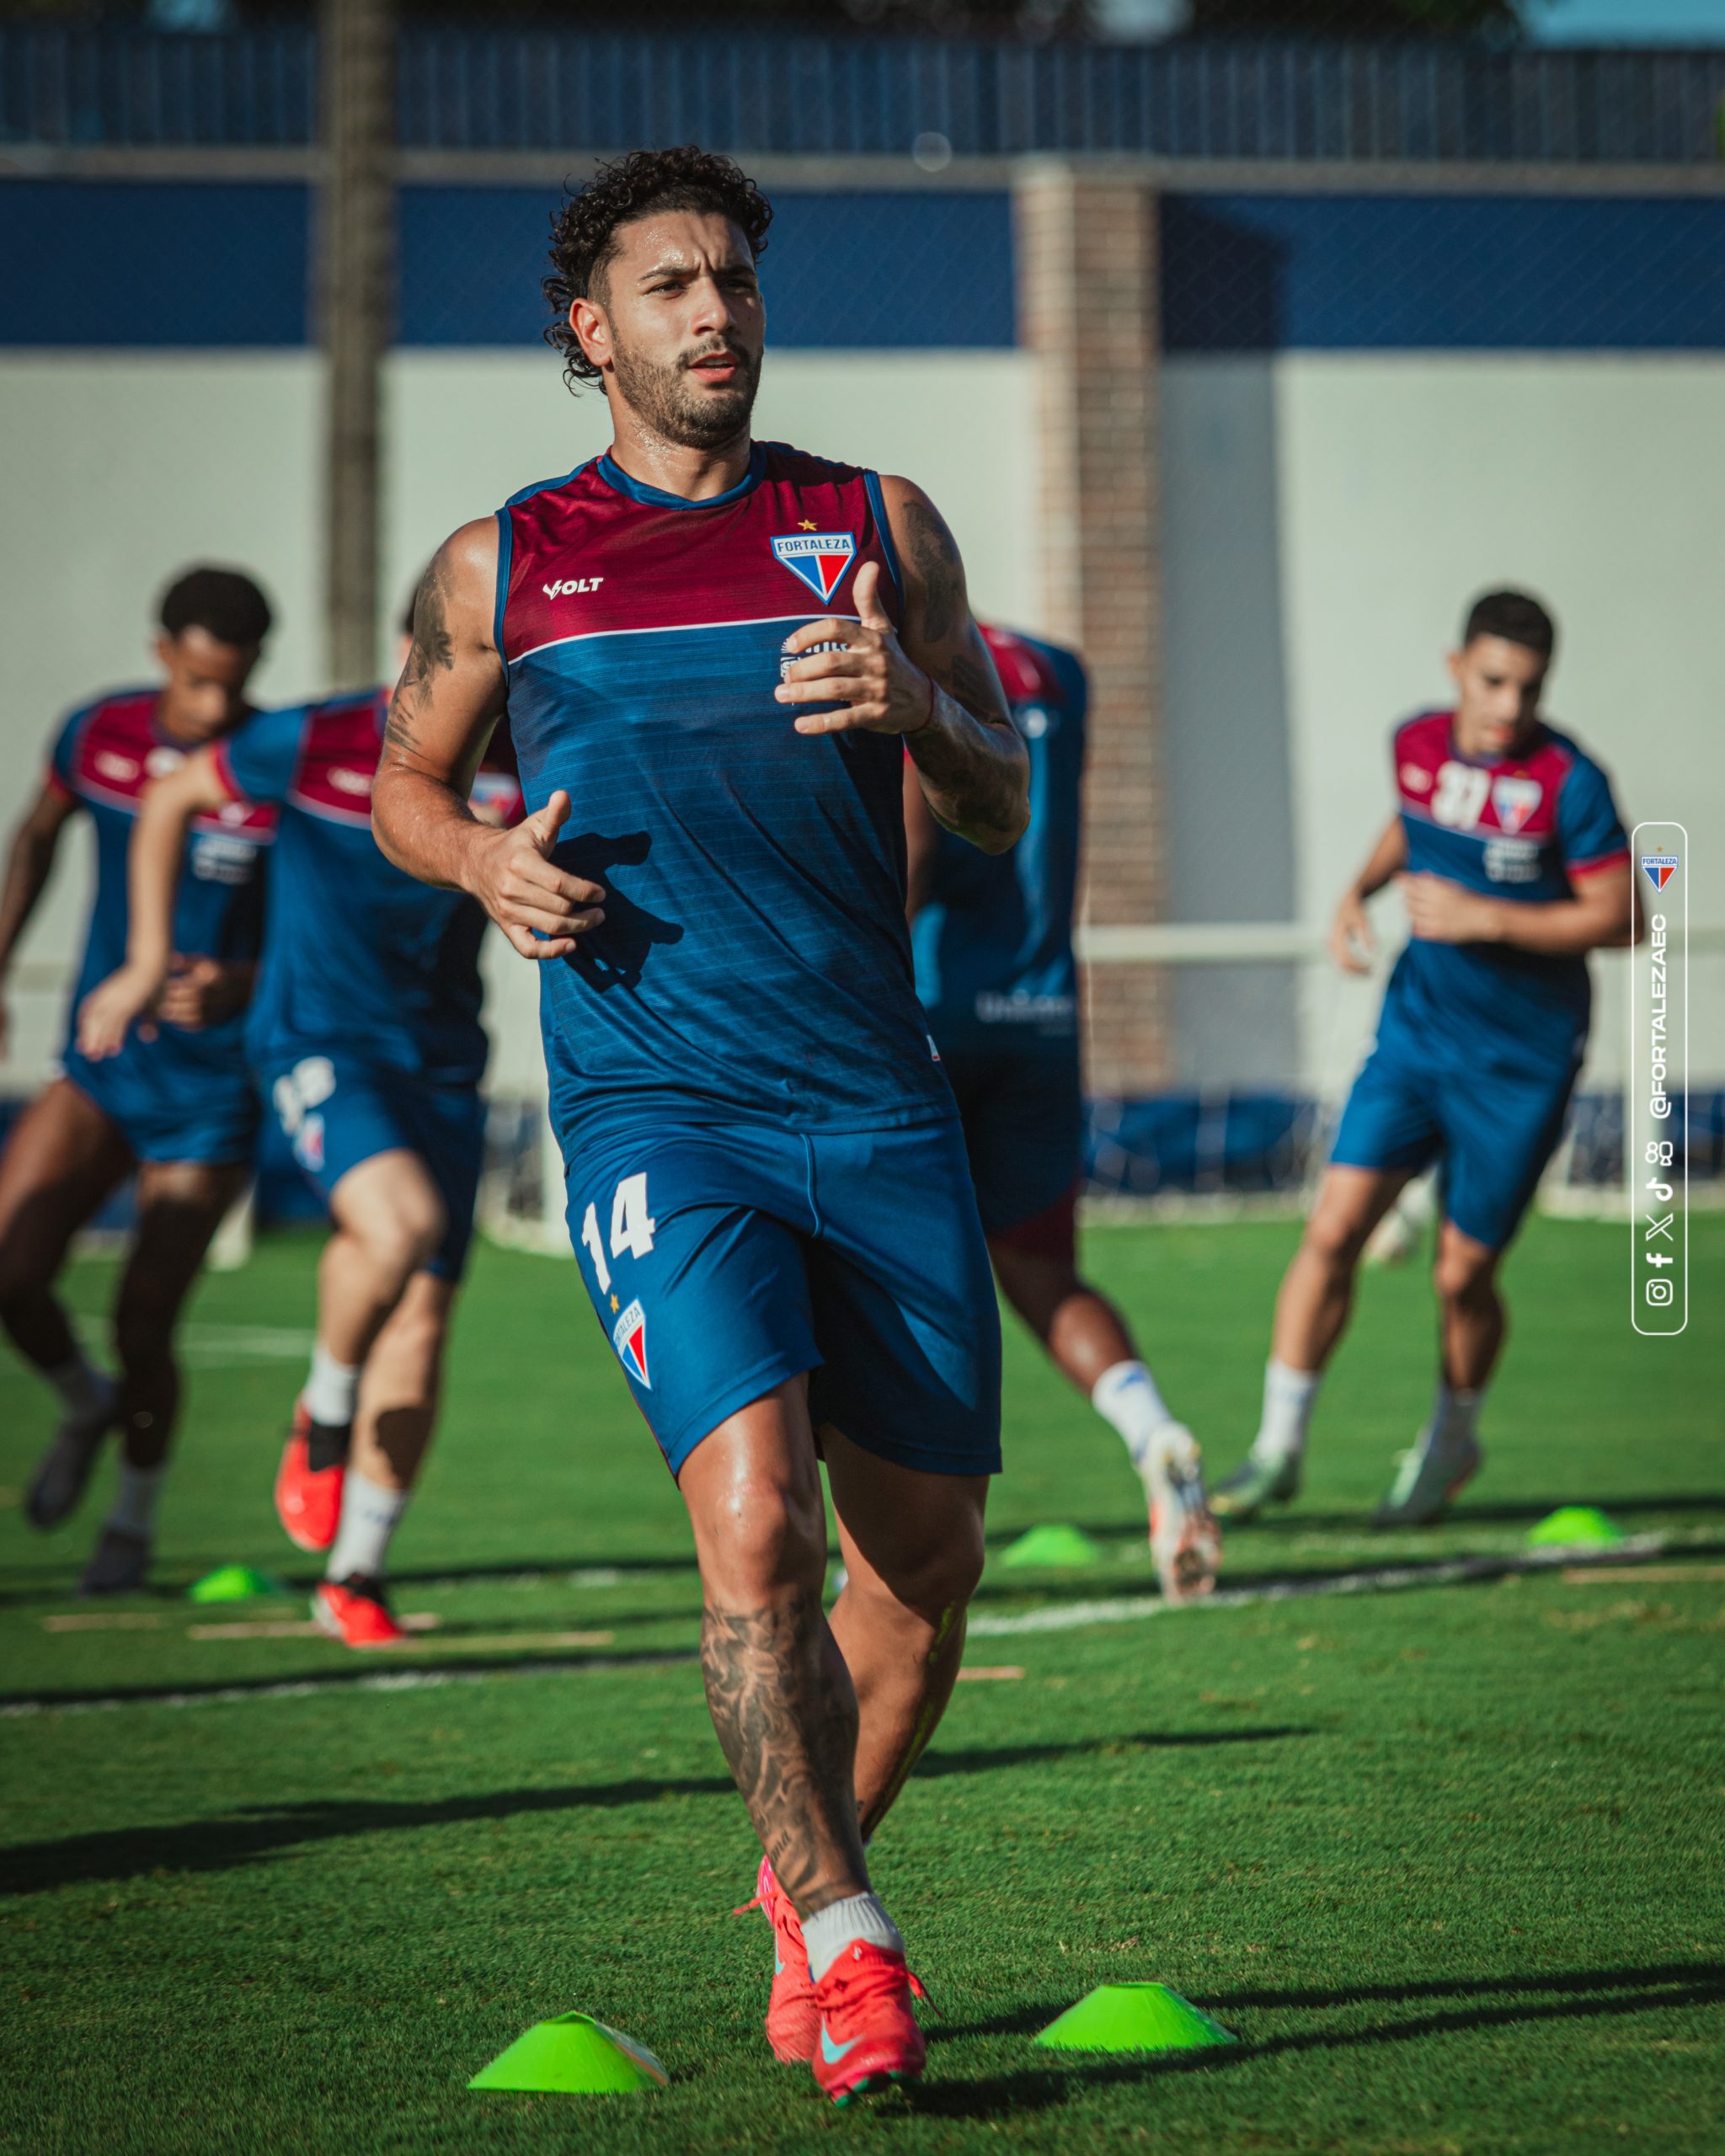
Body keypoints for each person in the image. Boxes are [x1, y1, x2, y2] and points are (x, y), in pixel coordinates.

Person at [368, 146, 1028, 2104]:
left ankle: (794, 1872)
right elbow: (401, 780)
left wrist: (915, 696)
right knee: (757, 1534)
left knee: (922, 1564)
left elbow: (996, 794)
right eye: (668, 287)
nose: (714, 313)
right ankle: (846, 1930)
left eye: (730, 280)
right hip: (661, 1110)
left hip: (877, 1102)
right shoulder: (506, 563)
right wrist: (482, 856)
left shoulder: (869, 520)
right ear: (593, 331)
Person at [77, 600, 521, 1649]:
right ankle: (321, 1410)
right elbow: (171, 797)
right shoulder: (317, 736)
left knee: (420, 1319)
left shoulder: (532, 757)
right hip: (318, 1039)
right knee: (398, 1223)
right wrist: (143, 961)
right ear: (417, 648)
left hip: (445, 1064)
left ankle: (355, 1571)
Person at [1213, 590, 1633, 1527]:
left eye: (1527, 688)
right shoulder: (1413, 741)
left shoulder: (1571, 781)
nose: (1508, 706)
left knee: (1459, 1275)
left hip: (1518, 1066)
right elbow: (1413, 822)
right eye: (1492, 681)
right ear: (1455, 669)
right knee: (1331, 1230)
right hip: (1413, 1039)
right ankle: (1277, 1449)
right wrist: (1356, 890)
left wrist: (1488, 918)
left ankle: (1451, 1442)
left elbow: (1624, 914)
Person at [904, 622, 1220, 1599]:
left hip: (927, 1012)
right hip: (1039, 1015)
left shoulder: (901, 662)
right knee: (1040, 1267)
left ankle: (916, 1527)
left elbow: (909, 846)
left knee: (890, 1273)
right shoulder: (1061, 671)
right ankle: (1152, 1432)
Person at [0, 566, 275, 1593]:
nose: (212, 707)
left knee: (145, 1315)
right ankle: (82, 1402)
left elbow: (321, 920)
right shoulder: (97, 735)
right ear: (163, 652)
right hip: (105, 1059)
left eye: (232, 684)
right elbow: (33, 840)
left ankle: (133, 1516)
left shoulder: (271, 759)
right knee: (11, 1273)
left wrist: (244, 983)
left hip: (214, 1088)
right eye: (197, 681)